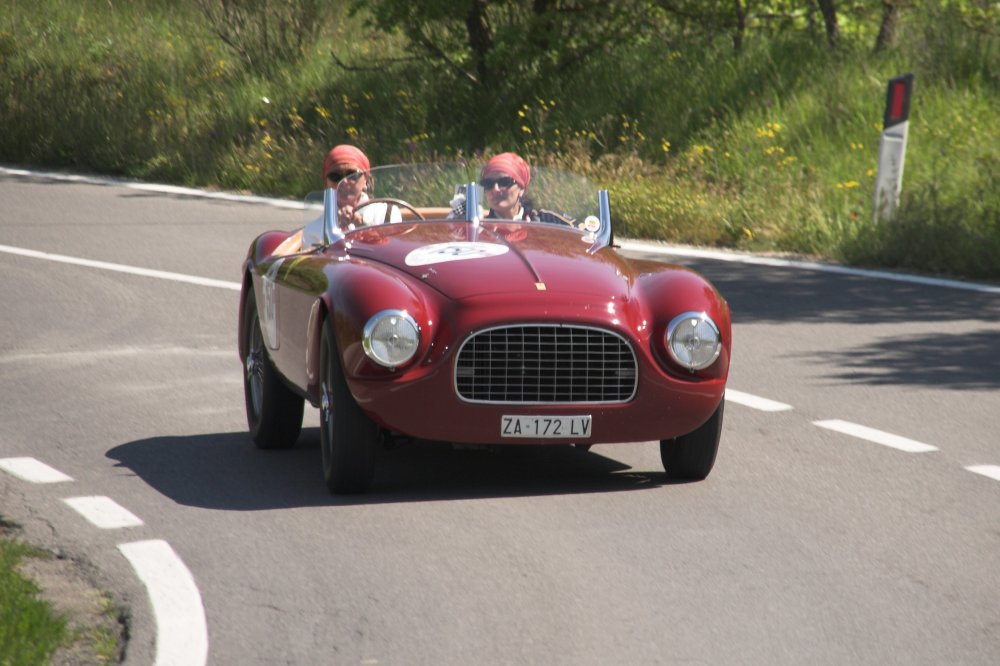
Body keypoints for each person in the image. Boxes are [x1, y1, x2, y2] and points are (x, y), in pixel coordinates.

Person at [277, 144, 400, 255]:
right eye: (335, 176)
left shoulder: (387, 214)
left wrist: (363, 225)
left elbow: (396, 254)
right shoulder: (313, 230)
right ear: (326, 183)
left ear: (366, 180)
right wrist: (335, 230)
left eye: (353, 175)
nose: (344, 182)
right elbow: (318, 269)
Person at [478, 152, 573, 225]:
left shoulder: (547, 220)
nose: (495, 189)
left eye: (504, 182)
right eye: (488, 183)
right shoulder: (478, 227)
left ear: (521, 189)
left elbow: (585, 235)